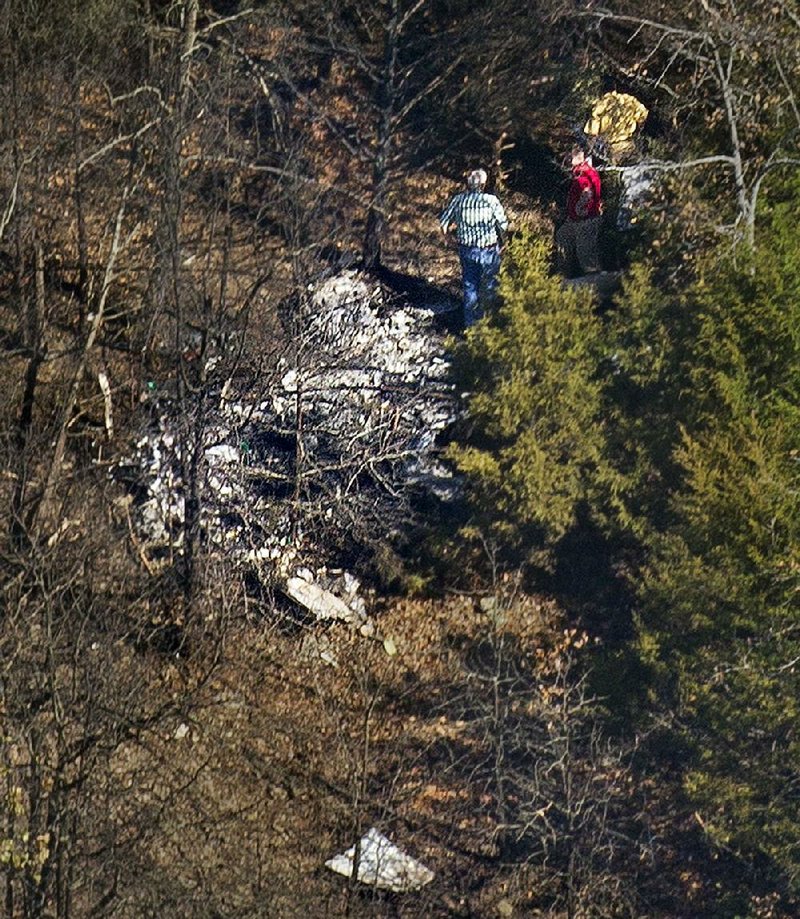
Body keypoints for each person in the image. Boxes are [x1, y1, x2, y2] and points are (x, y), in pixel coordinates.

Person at [439, 168, 509, 328]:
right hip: (488, 250)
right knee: (491, 286)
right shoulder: (491, 201)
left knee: (470, 286)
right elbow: (503, 225)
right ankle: (490, 325)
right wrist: (504, 243)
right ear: (483, 184)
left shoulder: (458, 200)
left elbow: (443, 224)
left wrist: (449, 240)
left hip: (467, 250)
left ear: (468, 184)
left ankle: (472, 327)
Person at [555, 141, 602, 276]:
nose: (569, 160)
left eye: (571, 157)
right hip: (575, 219)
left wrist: (579, 213)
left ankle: (594, 282)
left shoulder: (585, 175)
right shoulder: (580, 173)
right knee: (562, 236)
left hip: (585, 219)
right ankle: (563, 274)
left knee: (585, 252)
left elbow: (587, 196)